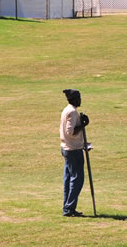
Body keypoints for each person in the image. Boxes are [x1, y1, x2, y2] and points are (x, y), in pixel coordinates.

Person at [60, 88, 90, 217]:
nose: (80, 100)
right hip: (73, 150)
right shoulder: (72, 112)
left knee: (69, 179)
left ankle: (67, 208)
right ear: (74, 99)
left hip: (67, 147)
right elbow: (70, 132)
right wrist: (84, 124)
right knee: (77, 179)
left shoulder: (67, 109)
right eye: (78, 98)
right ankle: (69, 208)